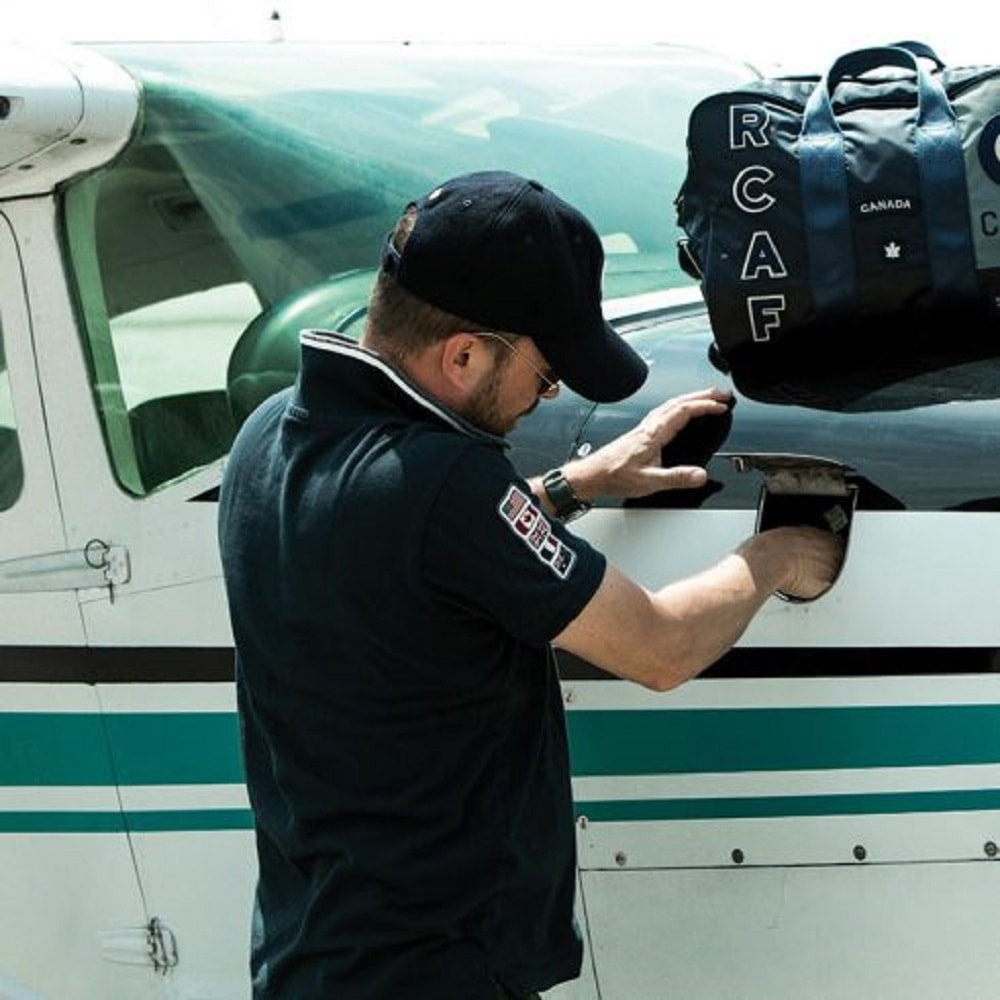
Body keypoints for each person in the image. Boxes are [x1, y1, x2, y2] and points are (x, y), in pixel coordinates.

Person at [218, 170, 842, 1000]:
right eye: (545, 377)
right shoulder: (447, 489)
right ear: (464, 353)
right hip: (438, 973)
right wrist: (780, 555)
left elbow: (399, 562)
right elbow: (659, 647)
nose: (541, 399)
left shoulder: (270, 436)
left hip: (314, 957)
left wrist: (571, 485)